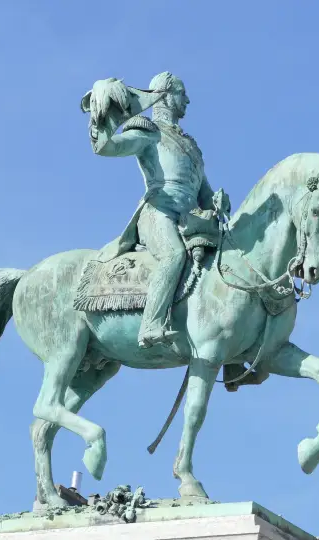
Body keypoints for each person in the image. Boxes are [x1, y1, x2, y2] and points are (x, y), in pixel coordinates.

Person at [88, 72, 220, 348]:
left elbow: (204, 193)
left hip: (191, 219)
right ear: (165, 95)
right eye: (182, 93)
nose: (188, 99)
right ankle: (151, 325)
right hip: (159, 213)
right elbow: (109, 147)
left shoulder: (191, 146)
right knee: (173, 254)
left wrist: (217, 203)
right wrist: (102, 117)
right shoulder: (149, 131)